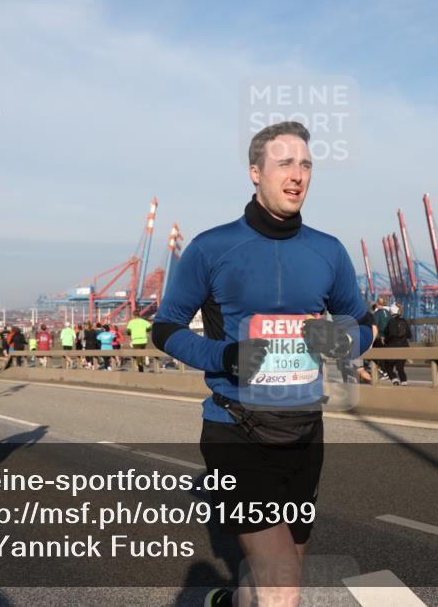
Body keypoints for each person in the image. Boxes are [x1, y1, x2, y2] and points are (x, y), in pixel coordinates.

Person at [153, 121, 373, 607]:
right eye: (284, 163)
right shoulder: (211, 247)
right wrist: (224, 356)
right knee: (283, 586)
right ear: (255, 172)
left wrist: (340, 340)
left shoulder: (328, 250)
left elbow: (365, 324)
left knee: (276, 576)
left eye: (306, 165)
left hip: (304, 431)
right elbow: (164, 328)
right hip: (235, 429)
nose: (297, 175)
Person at [384, 303, 411, 386]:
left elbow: (387, 334)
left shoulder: (390, 321)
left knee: (387, 365)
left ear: (392, 311)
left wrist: (385, 340)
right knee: (400, 367)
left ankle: (394, 379)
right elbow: (409, 335)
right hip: (404, 346)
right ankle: (404, 382)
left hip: (392, 347)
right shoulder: (404, 321)